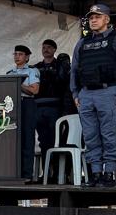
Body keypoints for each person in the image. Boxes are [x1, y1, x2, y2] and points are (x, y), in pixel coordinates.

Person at [70, 3, 116, 187]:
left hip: (109, 92)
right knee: (90, 136)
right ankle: (94, 174)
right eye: (91, 17)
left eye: (97, 17)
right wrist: (75, 93)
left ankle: (109, 173)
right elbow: (74, 70)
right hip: (86, 94)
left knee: (108, 135)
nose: (93, 20)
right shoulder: (82, 43)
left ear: (107, 19)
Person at [31, 39, 70, 179]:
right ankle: (47, 172)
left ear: (54, 49)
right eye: (44, 47)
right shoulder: (35, 68)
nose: (46, 49)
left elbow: (65, 85)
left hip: (55, 107)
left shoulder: (61, 66)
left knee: (56, 141)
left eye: (49, 47)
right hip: (39, 107)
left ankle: (58, 173)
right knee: (43, 141)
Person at [7, 45, 41, 182]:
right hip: (13, 105)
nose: (17, 56)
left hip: (27, 103)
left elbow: (34, 90)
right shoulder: (9, 73)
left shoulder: (32, 71)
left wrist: (18, 83)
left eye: (20, 54)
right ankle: (13, 172)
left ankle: (27, 174)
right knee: (13, 138)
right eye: (15, 54)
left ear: (27, 57)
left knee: (27, 137)